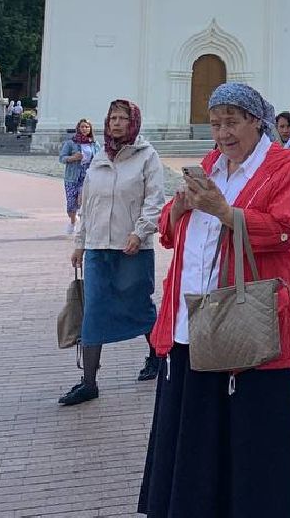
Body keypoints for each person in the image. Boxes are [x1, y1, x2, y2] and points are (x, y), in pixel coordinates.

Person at [140, 83, 290, 517]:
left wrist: (223, 211)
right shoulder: (213, 162)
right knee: (195, 429)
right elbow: (170, 231)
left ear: (257, 120)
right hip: (192, 318)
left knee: (250, 434)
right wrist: (180, 207)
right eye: (215, 124)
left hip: (246, 325)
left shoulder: (283, 167)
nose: (222, 133)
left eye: (231, 122)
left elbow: (286, 230)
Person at [60, 101, 165, 406]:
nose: (117, 123)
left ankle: (157, 355)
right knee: (94, 310)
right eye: (112, 118)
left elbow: (154, 199)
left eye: (123, 118)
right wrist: (80, 242)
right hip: (97, 248)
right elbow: (88, 203)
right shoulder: (98, 156)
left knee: (139, 308)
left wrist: (141, 232)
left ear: (134, 122)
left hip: (131, 247)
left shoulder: (146, 156)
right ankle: (89, 381)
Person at [60, 119, 98, 235]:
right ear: (78, 128)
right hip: (72, 176)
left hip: (87, 175)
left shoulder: (94, 144)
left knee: (82, 200)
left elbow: (99, 158)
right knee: (71, 204)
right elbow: (62, 158)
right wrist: (73, 158)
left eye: (87, 127)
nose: (85, 129)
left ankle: (83, 227)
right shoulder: (71, 143)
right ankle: (72, 220)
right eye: (82, 127)